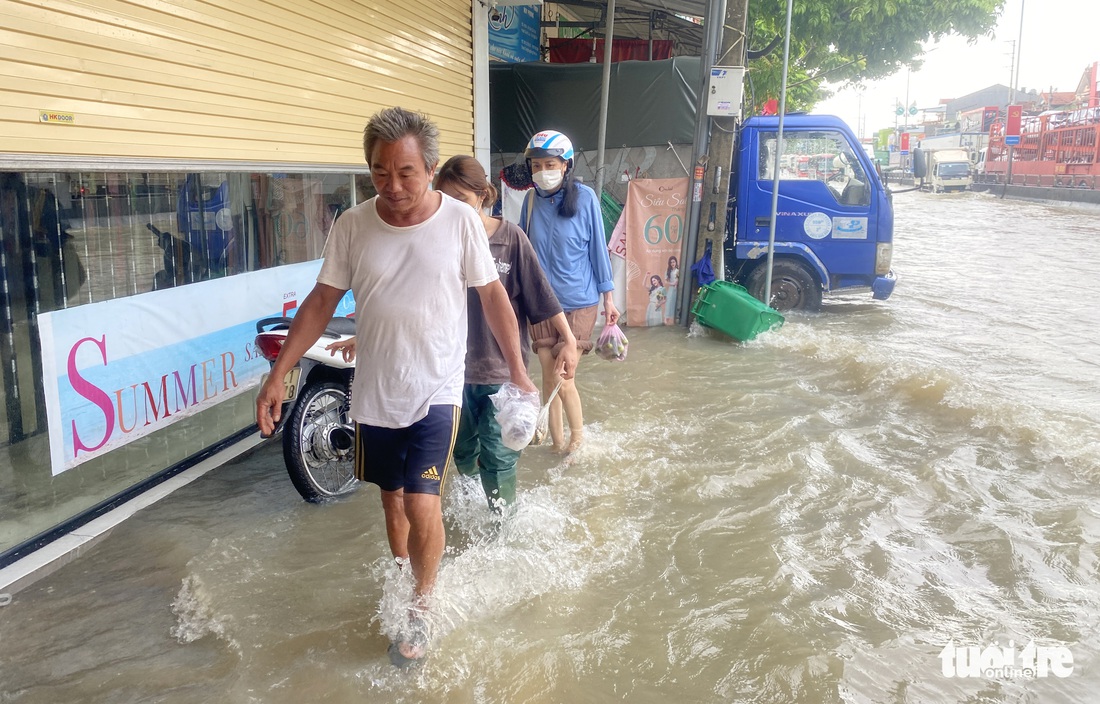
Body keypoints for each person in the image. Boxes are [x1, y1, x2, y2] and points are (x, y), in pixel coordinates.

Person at [255, 107, 538, 667]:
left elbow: (493, 298)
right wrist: (277, 375)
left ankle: (422, 612)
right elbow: (320, 303)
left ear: (430, 168)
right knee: (392, 501)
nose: (394, 185)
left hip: (437, 386)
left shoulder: (458, 222)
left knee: (419, 496)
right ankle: (408, 578)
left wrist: (520, 371)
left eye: (406, 172)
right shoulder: (353, 225)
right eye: (380, 173)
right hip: (376, 389)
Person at [436, 156, 578, 511]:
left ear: (484, 196)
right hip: (449, 373)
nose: (455, 211)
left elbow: (541, 294)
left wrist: (569, 339)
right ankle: (469, 508)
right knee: (464, 452)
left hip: (500, 370)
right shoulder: (436, 243)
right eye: (445, 201)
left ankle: (502, 527)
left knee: (498, 458)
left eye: (463, 201)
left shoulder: (509, 238)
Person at [519, 129, 619, 454]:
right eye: (536, 165)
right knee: (548, 375)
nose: (542, 171)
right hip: (542, 304)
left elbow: (599, 253)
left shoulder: (586, 198)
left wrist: (609, 298)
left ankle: (577, 440)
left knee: (564, 377)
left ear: (565, 165)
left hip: (579, 304)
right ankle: (556, 443)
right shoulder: (530, 200)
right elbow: (522, 251)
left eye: (549, 163)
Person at [664, 255, 679, 325]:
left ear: (676, 262)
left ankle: (674, 321)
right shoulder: (668, 271)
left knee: (674, 303)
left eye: (674, 262)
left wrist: (673, 283)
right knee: (668, 303)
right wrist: (671, 283)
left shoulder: (678, 271)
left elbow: (676, 282)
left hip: (676, 289)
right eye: (671, 262)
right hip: (671, 289)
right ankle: (667, 321)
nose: (673, 263)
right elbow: (666, 281)